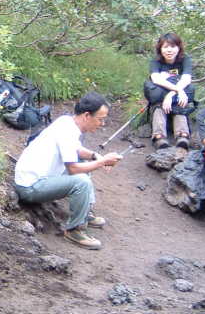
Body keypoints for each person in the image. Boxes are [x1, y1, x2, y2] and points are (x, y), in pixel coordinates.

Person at [14, 92, 123, 250]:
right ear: (87, 115)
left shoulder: (67, 122)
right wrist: (102, 162)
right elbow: (73, 169)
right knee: (81, 181)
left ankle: (84, 213)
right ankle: (74, 230)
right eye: (100, 119)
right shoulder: (68, 130)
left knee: (85, 165)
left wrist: (94, 156)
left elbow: (75, 149)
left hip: (37, 178)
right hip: (30, 187)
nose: (102, 124)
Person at [147, 33, 193, 150]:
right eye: (165, 47)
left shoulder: (185, 59)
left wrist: (173, 93)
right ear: (160, 49)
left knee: (180, 103)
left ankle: (182, 135)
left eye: (172, 47)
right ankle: (159, 136)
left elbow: (186, 78)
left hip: (178, 93)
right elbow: (156, 79)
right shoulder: (156, 61)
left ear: (178, 48)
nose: (169, 50)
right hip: (161, 92)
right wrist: (176, 91)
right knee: (159, 105)